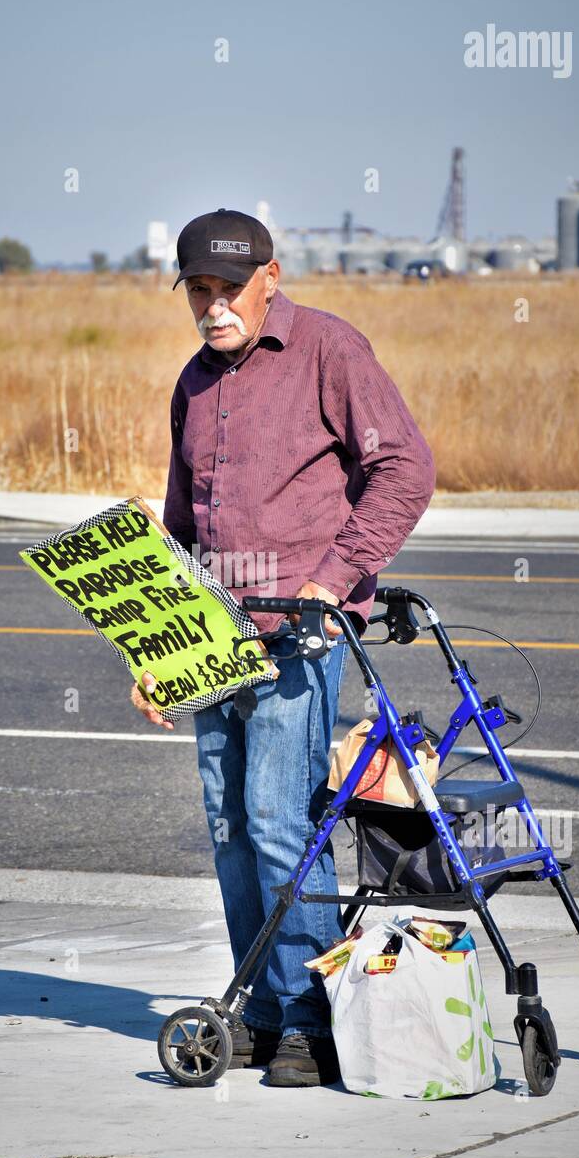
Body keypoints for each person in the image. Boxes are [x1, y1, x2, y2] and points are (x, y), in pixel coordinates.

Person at [131, 208, 435, 1085]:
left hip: (298, 638)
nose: (215, 307)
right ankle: (260, 1010)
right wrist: (157, 647)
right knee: (230, 832)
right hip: (215, 640)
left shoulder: (330, 351)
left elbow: (405, 469)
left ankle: (310, 1019)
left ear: (272, 275)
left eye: (231, 288)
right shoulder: (192, 383)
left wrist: (332, 579)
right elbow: (184, 529)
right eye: (200, 292)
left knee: (276, 825)